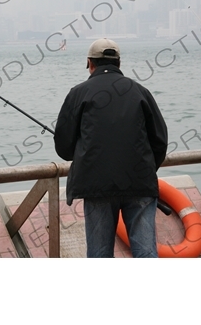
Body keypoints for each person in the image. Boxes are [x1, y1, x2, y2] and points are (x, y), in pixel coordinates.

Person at [54, 38, 168, 258]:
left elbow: (64, 147)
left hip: (97, 186)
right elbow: (160, 140)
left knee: (99, 254)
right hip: (140, 182)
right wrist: (145, 168)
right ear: (119, 63)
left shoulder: (78, 93)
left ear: (90, 63)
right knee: (145, 252)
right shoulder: (140, 91)